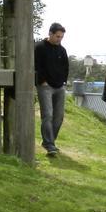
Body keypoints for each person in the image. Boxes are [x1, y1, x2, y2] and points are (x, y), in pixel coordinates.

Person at [34, 22, 69, 156]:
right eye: (57, 36)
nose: (59, 39)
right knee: (47, 115)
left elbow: (66, 67)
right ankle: (49, 144)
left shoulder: (62, 50)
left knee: (59, 117)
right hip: (45, 86)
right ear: (50, 33)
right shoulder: (39, 47)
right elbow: (36, 65)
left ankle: (50, 142)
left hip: (60, 86)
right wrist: (41, 81)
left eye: (61, 37)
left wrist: (64, 82)